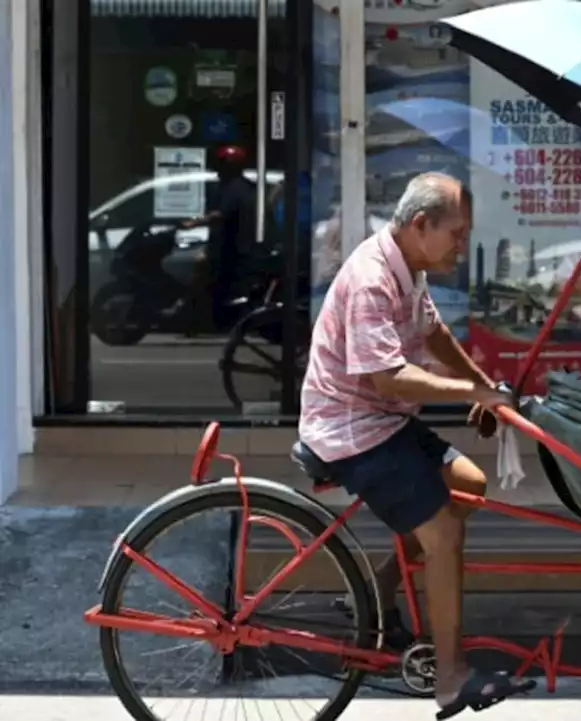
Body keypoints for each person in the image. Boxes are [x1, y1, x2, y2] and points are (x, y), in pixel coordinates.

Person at [298, 172, 531, 715]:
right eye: (457, 232)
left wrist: (485, 387)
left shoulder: (410, 266)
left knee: (469, 486)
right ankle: (451, 677)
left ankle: (381, 589)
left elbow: (432, 333)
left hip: (387, 421)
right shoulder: (372, 277)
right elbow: (389, 378)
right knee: (443, 532)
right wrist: (473, 391)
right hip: (353, 428)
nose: (461, 244)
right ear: (421, 225)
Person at [181, 145, 257, 331]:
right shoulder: (230, 186)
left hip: (232, 247)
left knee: (213, 281)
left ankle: (210, 320)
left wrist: (195, 223)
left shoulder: (236, 188)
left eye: (223, 164)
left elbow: (221, 214)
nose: (218, 169)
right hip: (225, 245)